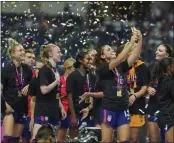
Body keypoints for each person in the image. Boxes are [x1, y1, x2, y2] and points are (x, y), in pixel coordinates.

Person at [95, 27, 142, 142]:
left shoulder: (120, 67)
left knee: (125, 141)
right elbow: (118, 59)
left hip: (123, 107)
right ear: (102, 56)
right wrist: (131, 42)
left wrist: (140, 38)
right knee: (106, 141)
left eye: (111, 48)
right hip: (109, 107)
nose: (112, 50)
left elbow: (135, 55)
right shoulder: (102, 69)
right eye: (108, 49)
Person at [31, 44, 66, 140]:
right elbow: (44, 90)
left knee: (50, 140)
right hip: (44, 110)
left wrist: (61, 107)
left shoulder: (55, 70)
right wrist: (56, 81)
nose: (61, 54)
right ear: (50, 54)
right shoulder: (44, 70)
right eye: (58, 52)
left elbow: (56, 93)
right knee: (37, 139)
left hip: (53, 110)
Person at [1, 39, 33, 143]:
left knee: (15, 140)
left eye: (23, 50)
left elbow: (34, 84)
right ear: (13, 53)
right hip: (9, 108)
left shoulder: (27, 69)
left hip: (22, 109)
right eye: (20, 50)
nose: (23, 52)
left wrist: (28, 85)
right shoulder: (5, 70)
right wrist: (4, 105)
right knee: (8, 138)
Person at [146, 44, 173, 142]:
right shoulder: (151, 67)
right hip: (153, 105)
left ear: (167, 55)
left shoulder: (172, 68)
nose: (156, 52)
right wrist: (148, 88)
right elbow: (145, 84)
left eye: (160, 51)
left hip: (168, 108)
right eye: (157, 50)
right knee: (154, 139)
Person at [66, 51, 94, 138]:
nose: (90, 61)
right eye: (88, 59)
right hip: (77, 113)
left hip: (89, 112)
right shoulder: (72, 76)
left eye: (91, 59)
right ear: (80, 60)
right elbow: (69, 97)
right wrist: (73, 116)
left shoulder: (91, 75)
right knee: (75, 139)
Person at [152, 57, 174, 142]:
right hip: (168, 116)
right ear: (170, 67)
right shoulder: (170, 82)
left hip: (164, 114)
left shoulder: (161, 79)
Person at [127, 59, 149, 143]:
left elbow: (145, 87)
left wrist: (135, 95)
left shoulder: (142, 66)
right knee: (123, 138)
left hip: (136, 105)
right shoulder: (122, 65)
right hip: (122, 106)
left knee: (133, 138)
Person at [56, 58, 75, 142]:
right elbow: (55, 96)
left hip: (72, 111)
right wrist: (63, 96)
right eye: (74, 69)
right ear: (68, 68)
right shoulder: (60, 80)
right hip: (61, 111)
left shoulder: (75, 81)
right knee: (59, 137)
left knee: (71, 137)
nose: (75, 71)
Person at [22, 49, 36, 143]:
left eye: (33, 58)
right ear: (22, 59)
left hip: (32, 112)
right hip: (20, 110)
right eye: (29, 57)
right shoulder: (16, 73)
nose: (32, 60)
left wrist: (30, 84)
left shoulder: (37, 74)